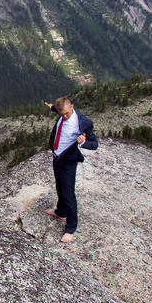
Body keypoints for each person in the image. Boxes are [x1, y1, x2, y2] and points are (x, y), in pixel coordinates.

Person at [43, 97, 98, 243]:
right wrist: (51, 107)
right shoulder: (61, 112)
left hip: (69, 161)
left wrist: (84, 142)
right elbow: (58, 109)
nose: (64, 117)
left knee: (68, 194)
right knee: (59, 187)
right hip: (57, 157)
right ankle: (60, 212)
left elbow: (95, 144)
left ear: (72, 107)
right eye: (61, 114)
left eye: (66, 113)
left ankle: (71, 228)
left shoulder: (84, 122)